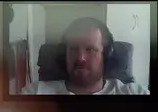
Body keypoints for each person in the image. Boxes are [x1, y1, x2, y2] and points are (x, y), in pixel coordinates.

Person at [22, 17, 150, 95]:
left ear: (106, 54)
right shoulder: (35, 92)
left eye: (90, 49)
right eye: (73, 49)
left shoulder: (134, 92)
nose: (80, 58)